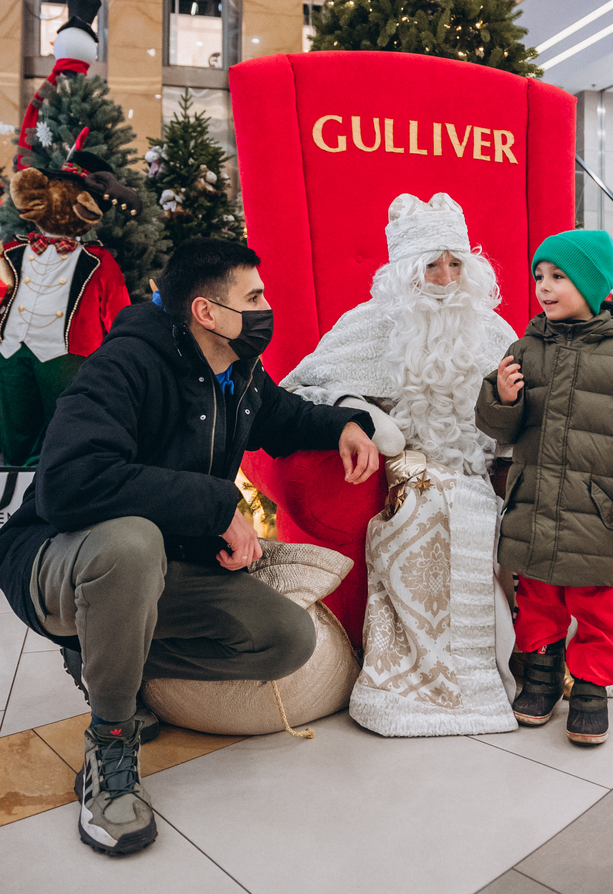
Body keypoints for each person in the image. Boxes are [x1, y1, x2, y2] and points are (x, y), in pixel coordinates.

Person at [0, 238, 378, 856]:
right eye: (253, 297)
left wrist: (343, 423)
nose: (266, 308)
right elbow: (67, 484)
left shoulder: (238, 371)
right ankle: (110, 743)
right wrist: (215, 506)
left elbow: (282, 417)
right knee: (132, 540)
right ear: (206, 311)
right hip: (55, 561)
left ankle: (111, 660)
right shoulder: (125, 364)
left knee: (286, 640)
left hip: (154, 572)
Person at [282, 193, 519, 737]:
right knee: (432, 511)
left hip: (486, 465)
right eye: (431, 264)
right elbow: (306, 385)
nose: (444, 276)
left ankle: (545, 660)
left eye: (455, 263)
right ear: (405, 271)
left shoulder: (492, 328)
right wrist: (358, 413)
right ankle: (459, 681)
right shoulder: (370, 323)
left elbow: (524, 405)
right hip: (411, 465)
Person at [476, 229, 613, 747]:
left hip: (600, 514)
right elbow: (500, 428)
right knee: (538, 600)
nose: (544, 287)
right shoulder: (525, 347)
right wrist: (501, 397)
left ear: (591, 284)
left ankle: (591, 689)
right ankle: (541, 678)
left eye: (558, 276)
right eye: (539, 276)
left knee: (595, 607)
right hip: (537, 505)